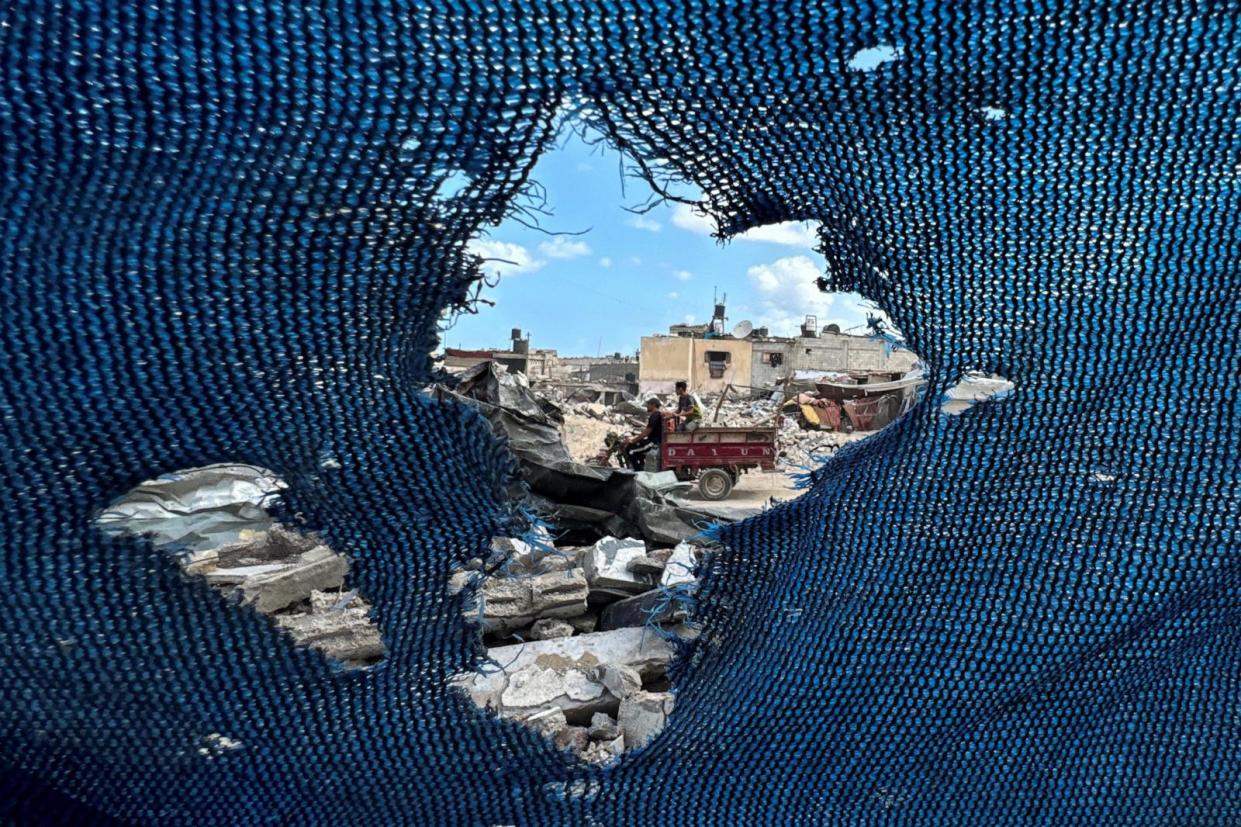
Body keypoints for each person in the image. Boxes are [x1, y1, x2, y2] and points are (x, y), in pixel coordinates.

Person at [623, 398, 668, 471]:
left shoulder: (655, 415)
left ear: (653, 405)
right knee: (634, 448)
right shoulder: (656, 414)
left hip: (653, 442)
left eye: (648, 405)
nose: (647, 406)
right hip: (651, 440)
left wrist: (632, 440)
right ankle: (641, 466)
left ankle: (638, 472)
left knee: (630, 450)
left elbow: (646, 432)